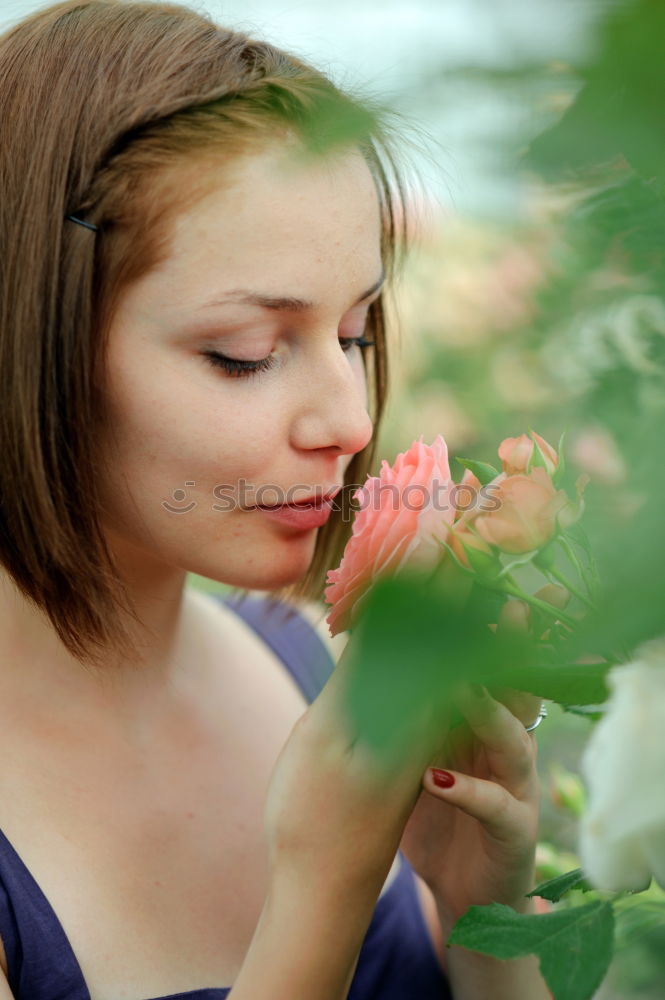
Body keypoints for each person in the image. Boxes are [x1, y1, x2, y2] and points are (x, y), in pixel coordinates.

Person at [0, 2, 552, 998]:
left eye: (354, 334)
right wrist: (323, 889)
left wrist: (483, 919)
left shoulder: (295, 658)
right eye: (244, 354)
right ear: (32, 338)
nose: (345, 419)